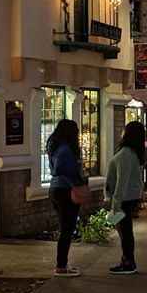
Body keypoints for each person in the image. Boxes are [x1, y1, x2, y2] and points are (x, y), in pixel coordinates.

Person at [105, 121, 145, 274]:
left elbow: (122, 181)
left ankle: (128, 262)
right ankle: (127, 260)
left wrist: (116, 204)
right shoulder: (130, 152)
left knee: (125, 231)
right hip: (129, 197)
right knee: (125, 231)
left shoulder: (126, 154)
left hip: (125, 198)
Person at [47, 119, 86, 277]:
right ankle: (61, 266)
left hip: (56, 188)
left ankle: (62, 264)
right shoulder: (65, 150)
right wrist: (78, 182)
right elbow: (63, 170)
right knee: (66, 229)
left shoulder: (55, 148)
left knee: (66, 228)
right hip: (65, 190)